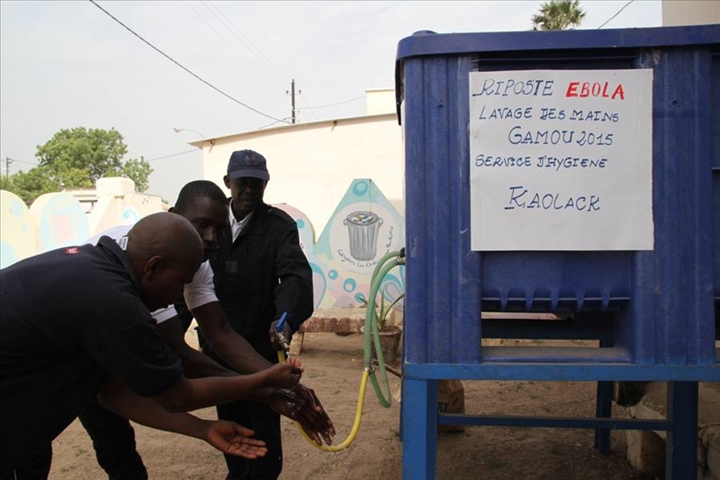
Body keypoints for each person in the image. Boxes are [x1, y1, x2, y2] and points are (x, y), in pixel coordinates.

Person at [0, 212, 303, 479]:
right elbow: (177, 396)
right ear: (154, 268)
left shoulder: (92, 266)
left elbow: (112, 393)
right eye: (180, 282)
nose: (177, 296)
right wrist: (264, 380)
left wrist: (203, 428)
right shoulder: (116, 306)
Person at [76, 181, 335, 480]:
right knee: (108, 444)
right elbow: (178, 361)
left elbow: (221, 333)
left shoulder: (194, 260)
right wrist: (265, 388)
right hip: (64, 358)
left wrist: (279, 387)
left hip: (100, 358)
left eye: (221, 228)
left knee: (117, 437)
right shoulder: (144, 259)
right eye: (201, 225)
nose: (212, 238)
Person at [202, 149, 316, 480]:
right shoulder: (209, 220)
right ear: (228, 182)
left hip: (259, 349)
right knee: (232, 428)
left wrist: (286, 318)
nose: (250, 189)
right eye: (243, 182)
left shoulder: (278, 227)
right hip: (217, 352)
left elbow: (295, 276)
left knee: (264, 439)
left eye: (257, 183)